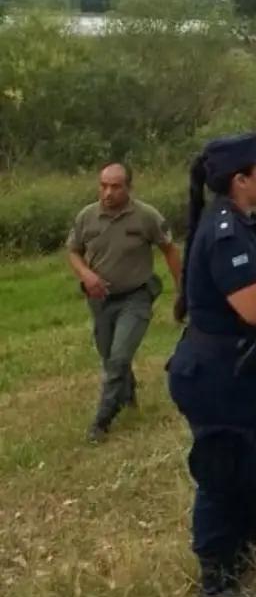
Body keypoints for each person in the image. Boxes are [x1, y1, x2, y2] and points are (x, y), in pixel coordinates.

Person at [165, 133, 256, 597]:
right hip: (216, 375)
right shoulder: (225, 232)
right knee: (223, 474)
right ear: (241, 180)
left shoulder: (242, 221)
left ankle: (247, 553)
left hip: (241, 372)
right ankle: (216, 582)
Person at [66, 162, 182, 443]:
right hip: (100, 299)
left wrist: (184, 291)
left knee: (117, 358)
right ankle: (128, 395)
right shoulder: (87, 217)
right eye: (103, 185)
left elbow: (169, 250)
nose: (107, 192)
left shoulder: (146, 216)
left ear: (128, 187)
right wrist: (86, 275)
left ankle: (102, 420)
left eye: (115, 186)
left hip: (136, 296)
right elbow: (73, 251)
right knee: (110, 356)